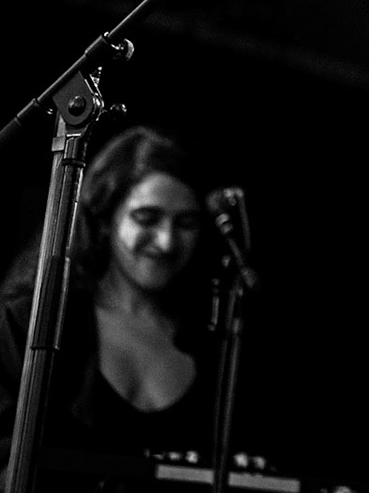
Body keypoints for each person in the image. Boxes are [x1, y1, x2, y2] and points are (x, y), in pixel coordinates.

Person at [0, 127, 218, 483]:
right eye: (146, 218)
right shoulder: (31, 318)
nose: (166, 241)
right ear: (105, 218)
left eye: (186, 223)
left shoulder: (213, 336)